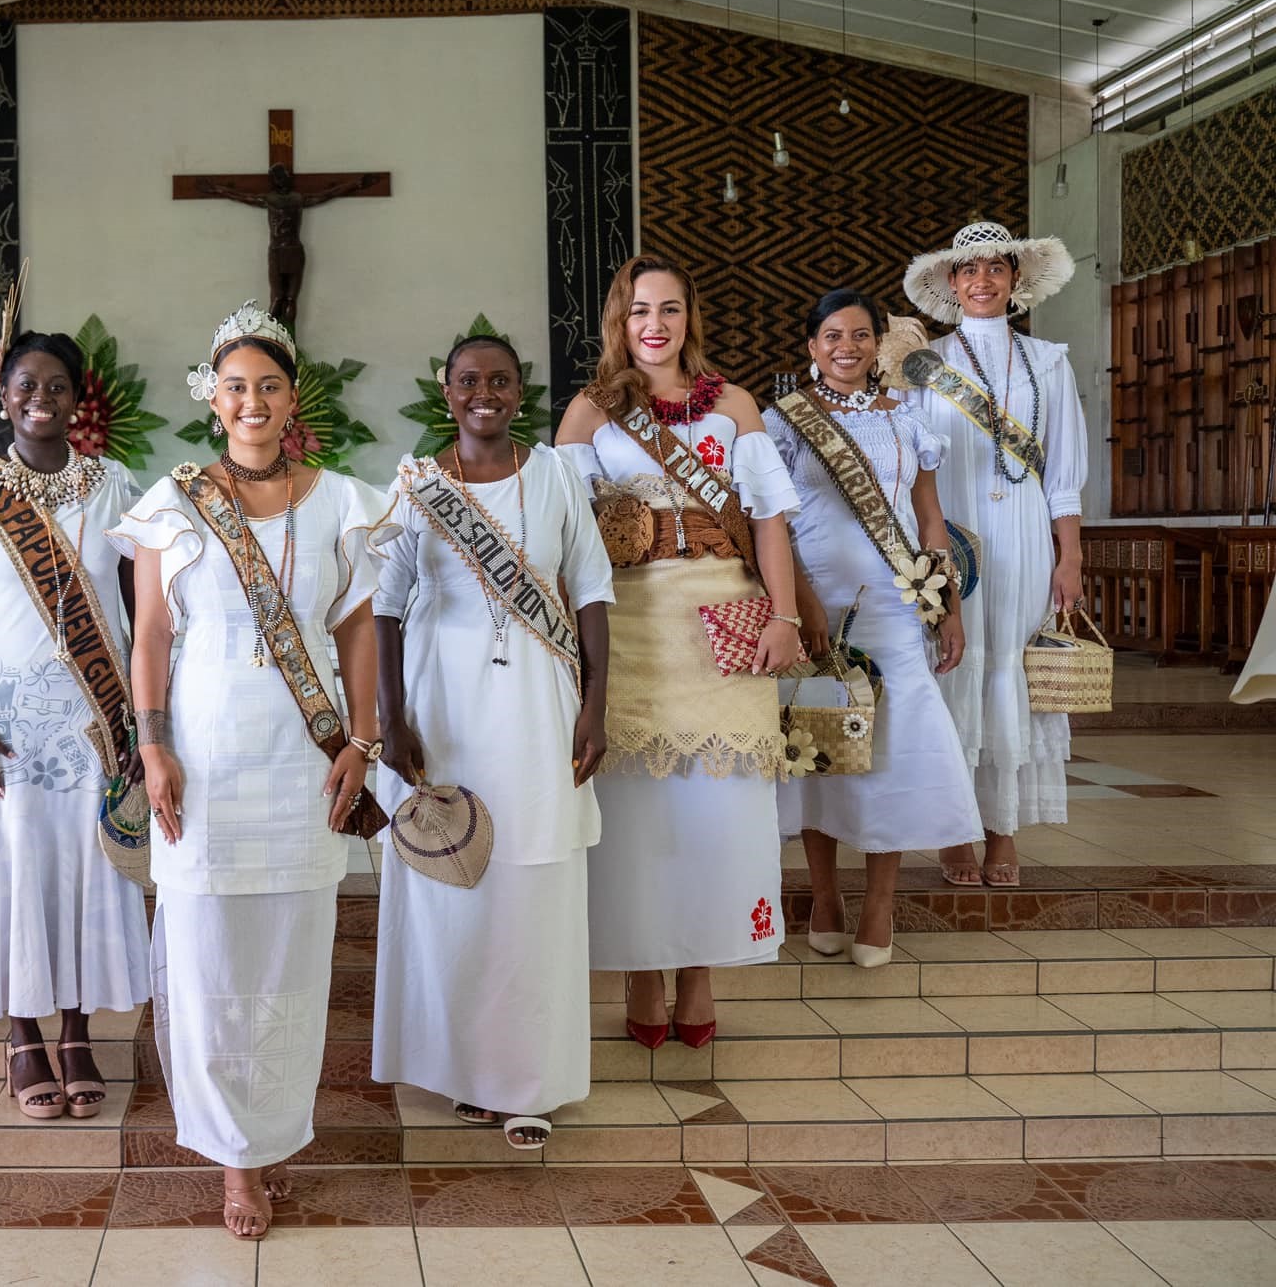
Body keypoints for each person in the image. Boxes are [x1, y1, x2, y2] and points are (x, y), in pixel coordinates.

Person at [113, 301, 394, 1241]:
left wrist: (362, 741)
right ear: (213, 398)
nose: (253, 401)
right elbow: (150, 635)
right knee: (202, 953)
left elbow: (355, 632)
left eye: (269, 385)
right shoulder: (171, 504)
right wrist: (153, 746)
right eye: (236, 386)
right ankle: (232, 1157)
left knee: (290, 958)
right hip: (203, 758)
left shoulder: (344, 502)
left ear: (291, 395)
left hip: (302, 766)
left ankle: (269, 1139)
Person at [372, 331, 613, 1149]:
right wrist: (391, 717)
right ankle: (460, 1070)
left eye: (501, 380)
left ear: (521, 391)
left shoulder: (552, 477)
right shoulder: (418, 486)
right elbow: (385, 605)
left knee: (532, 890)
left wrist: (596, 704)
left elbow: (590, 589)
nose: (486, 392)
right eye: (469, 380)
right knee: (457, 890)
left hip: (541, 710)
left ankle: (529, 1080)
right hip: (445, 711)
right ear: (447, 392)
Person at [555, 255, 803, 1050]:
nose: (654, 325)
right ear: (617, 324)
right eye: (637, 312)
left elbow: (768, 519)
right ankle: (640, 967)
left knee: (718, 806)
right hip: (628, 623)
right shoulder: (590, 413)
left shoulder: (733, 406)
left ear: (691, 316)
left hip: (725, 613)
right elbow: (563, 536)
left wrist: (785, 617)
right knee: (636, 811)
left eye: (668, 309)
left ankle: (699, 969)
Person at [0, 332, 150, 1122]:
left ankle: (79, 1030)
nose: (41, 400)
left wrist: (141, 721)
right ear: (5, 393)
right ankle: (23, 1032)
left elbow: (142, 610)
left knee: (85, 867)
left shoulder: (115, 485)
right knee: (19, 866)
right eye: (28, 385)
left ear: (77, 398)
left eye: (57, 386)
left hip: (94, 720)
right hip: (6, 724)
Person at [765, 289, 982, 967]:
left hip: (893, 609)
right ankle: (826, 897)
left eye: (860, 335)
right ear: (811, 346)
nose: (847, 347)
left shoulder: (909, 420)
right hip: (812, 607)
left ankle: (880, 903)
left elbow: (929, 523)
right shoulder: (784, 423)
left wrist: (950, 608)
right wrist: (795, 608)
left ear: (877, 344)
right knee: (819, 749)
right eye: (832, 336)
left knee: (891, 752)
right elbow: (768, 523)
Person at [901, 222, 1087, 887]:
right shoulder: (924, 365)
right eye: (969, 270)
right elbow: (902, 460)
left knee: (1011, 668)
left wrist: (1070, 558)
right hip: (951, 539)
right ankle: (954, 831)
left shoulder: (1050, 362)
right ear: (951, 283)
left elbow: (1063, 472)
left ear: (1015, 280)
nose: (982, 280)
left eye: (995, 269)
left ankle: (1002, 832)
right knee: (951, 665)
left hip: (1027, 539)